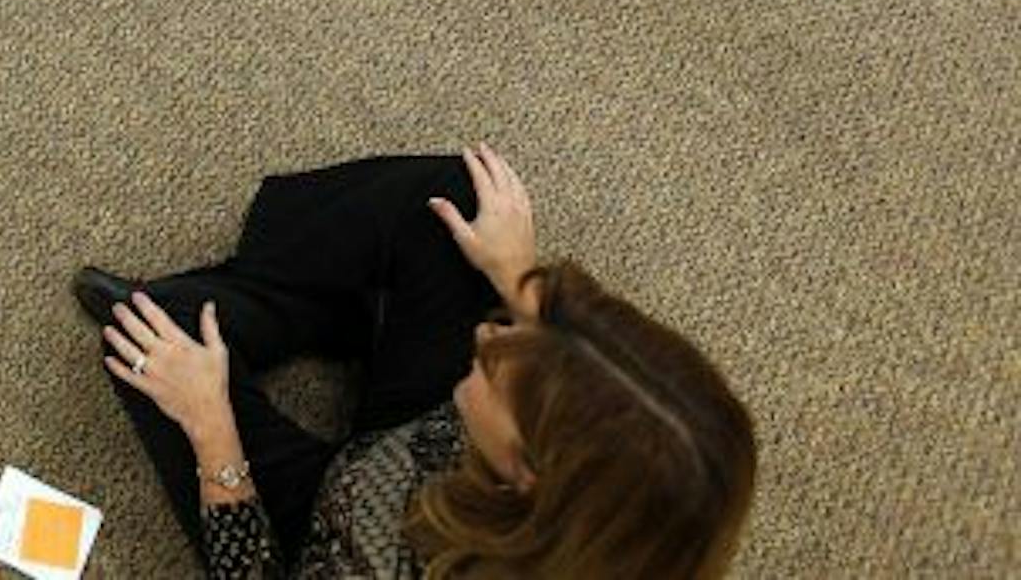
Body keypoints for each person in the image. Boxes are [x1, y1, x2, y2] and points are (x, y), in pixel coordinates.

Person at [75, 146, 756, 578]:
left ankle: (311, 309)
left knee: (145, 344)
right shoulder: (629, 485)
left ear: (523, 473)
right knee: (456, 196)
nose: (489, 337)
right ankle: (335, 310)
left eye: (502, 365)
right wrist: (519, 276)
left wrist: (213, 433)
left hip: (327, 523)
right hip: (412, 441)